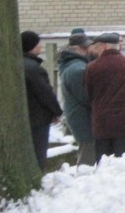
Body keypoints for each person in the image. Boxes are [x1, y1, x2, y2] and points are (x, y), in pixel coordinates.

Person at [84, 32, 125, 160]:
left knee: (104, 162)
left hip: (102, 123)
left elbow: (88, 95)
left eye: (97, 47)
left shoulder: (92, 67)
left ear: (103, 46)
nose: (96, 50)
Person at [21, 30, 63, 170]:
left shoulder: (21, 65)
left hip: (26, 116)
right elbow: (45, 93)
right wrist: (56, 111)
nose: (41, 47)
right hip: (37, 117)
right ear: (31, 46)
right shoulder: (34, 68)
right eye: (38, 44)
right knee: (38, 151)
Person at [58, 33, 97, 165]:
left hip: (78, 117)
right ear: (76, 49)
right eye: (85, 48)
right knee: (88, 155)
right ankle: (85, 180)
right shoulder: (78, 69)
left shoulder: (73, 65)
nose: (89, 51)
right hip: (83, 119)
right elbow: (86, 97)